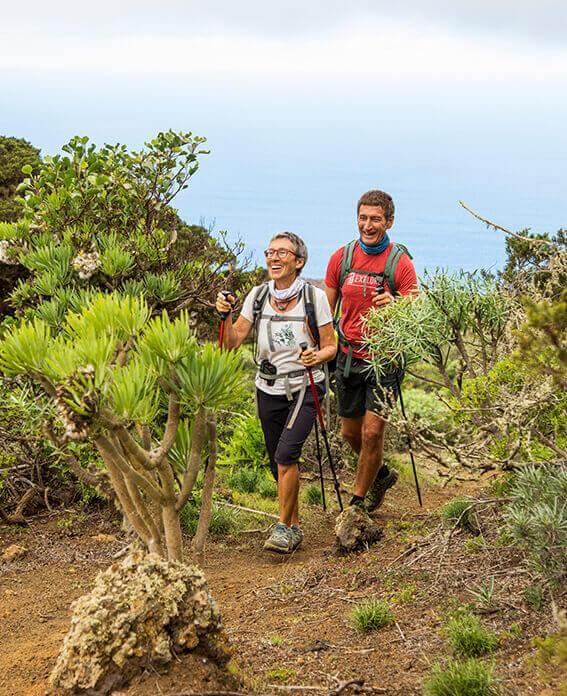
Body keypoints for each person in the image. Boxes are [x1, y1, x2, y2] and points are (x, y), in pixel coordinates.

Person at [216, 232, 336, 553]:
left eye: (283, 253)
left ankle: (282, 528)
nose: (274, 258)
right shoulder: (257, 296)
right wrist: (225, 315)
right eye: (271, 252)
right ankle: (294, 526)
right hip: (266, 386)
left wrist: (317, 356)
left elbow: (331, 346)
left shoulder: (315, 298)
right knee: (276, 463)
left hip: (305, 385)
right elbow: (230, 343)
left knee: (286, 455)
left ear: (298, 262)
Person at [325, 190, 418, 512]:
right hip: (348, 357)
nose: (368, 224)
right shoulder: (342, 258)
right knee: (349, 432)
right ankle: (380, 475)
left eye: (375, 219)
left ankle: (357, 502)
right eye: (363, 218)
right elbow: (327, 310)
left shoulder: (399, 262)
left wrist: (396, 303)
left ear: (389, 221)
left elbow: (415, 307)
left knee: (372, 431)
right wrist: (319, 345)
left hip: (384, 360)